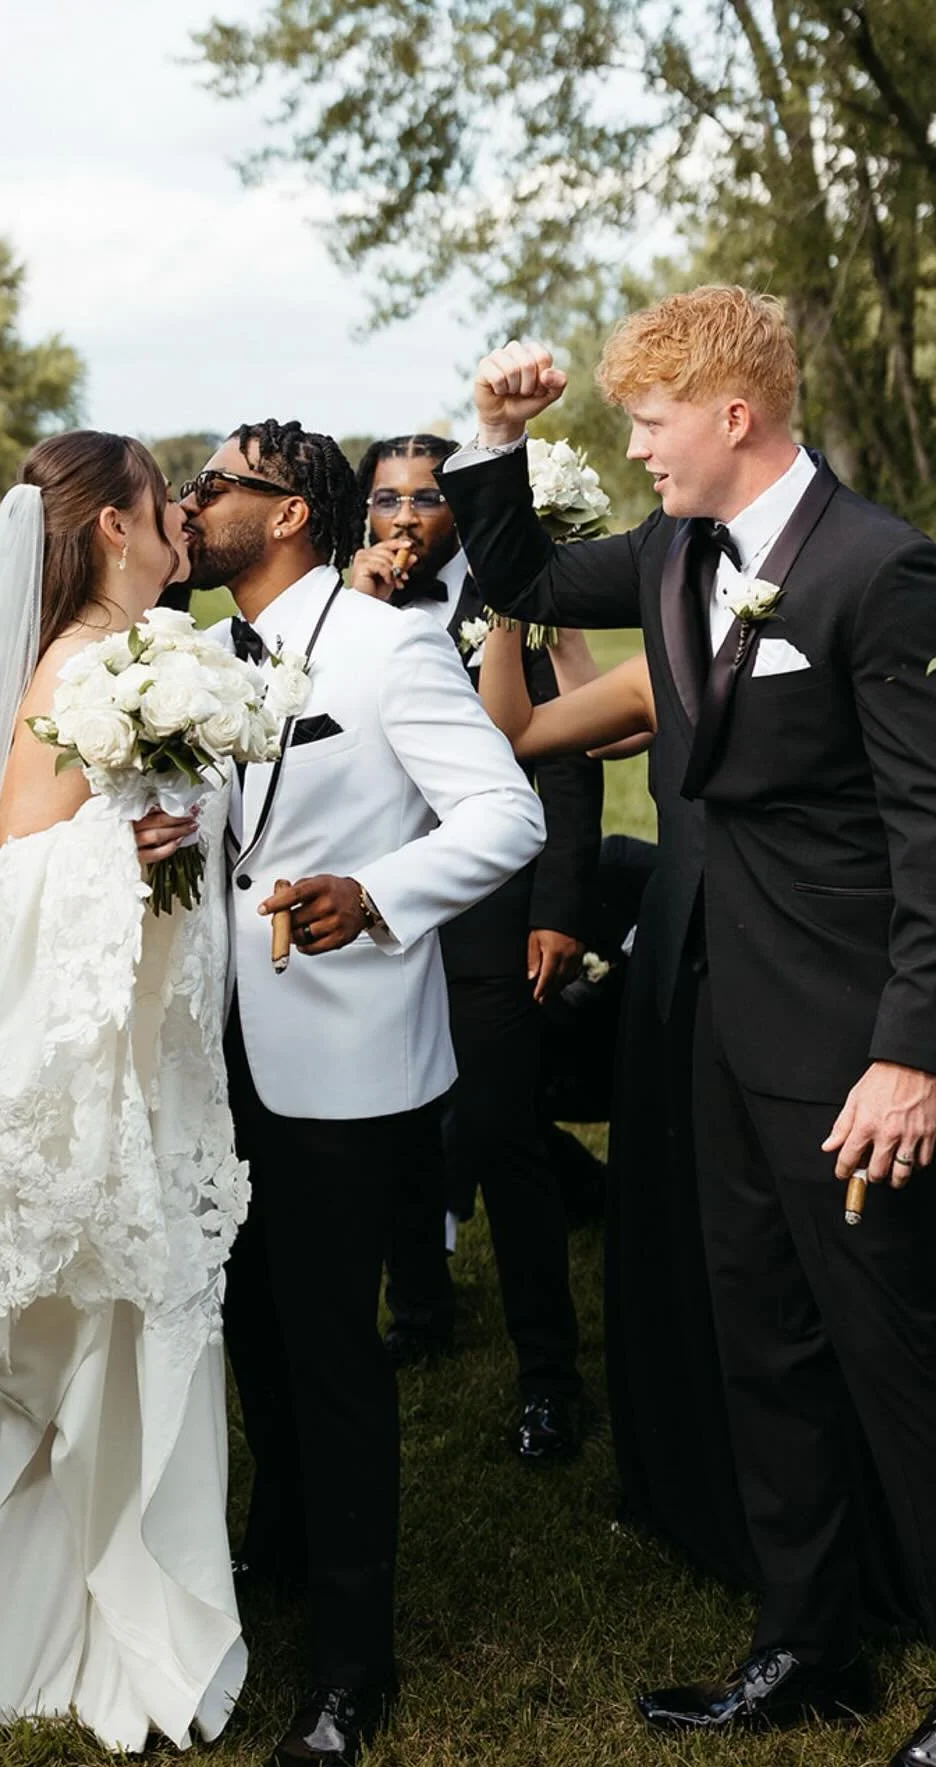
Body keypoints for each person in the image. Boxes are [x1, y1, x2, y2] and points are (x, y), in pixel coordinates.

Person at [440, 289, 936, 1767]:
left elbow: (931, 831)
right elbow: (517, 563)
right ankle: (810, 1641)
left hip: (851, 1049)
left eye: (650, 421)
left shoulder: (881, 572)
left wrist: (912, 1052)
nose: (637, 447)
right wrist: (494, 434)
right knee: (764, 1344)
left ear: (733, 416)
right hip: (711, 1026)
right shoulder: (671, 553)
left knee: (899, 1362)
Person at [184, 420, 547, 1767]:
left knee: (333, 1348)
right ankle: (279, 1549)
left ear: (288, 516)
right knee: (246, 1321)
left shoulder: (387, 647)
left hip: (339, 1049)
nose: (194, 501)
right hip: (211, 1045)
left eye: (218, 485)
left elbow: (504, 821)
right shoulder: (199, 656)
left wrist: (376, 898)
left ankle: (351, 1662)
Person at [0, 432, 249, 1755]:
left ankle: (119, 1563)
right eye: (168, 512)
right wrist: (129, 849)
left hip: (136, 1043)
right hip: (89, 1064)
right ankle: (107, 1600)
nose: (184, 535)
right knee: (116, 1314)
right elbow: (11, 875)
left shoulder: (139, 664)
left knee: (138, 1314)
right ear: (114, 529)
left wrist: (165, 851)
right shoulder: (88, 669)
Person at [351, 433, 602, 1461]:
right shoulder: (342, 607)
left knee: (502, 1130)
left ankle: (550, 1373)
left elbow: (574, 759)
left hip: (496, 909)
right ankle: (420, 1311)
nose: (404, 518)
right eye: (385, 500)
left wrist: (561, 906)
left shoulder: (509, 593)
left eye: (425, 499)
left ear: (460, 506)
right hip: (373, 910)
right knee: (400, 1126)